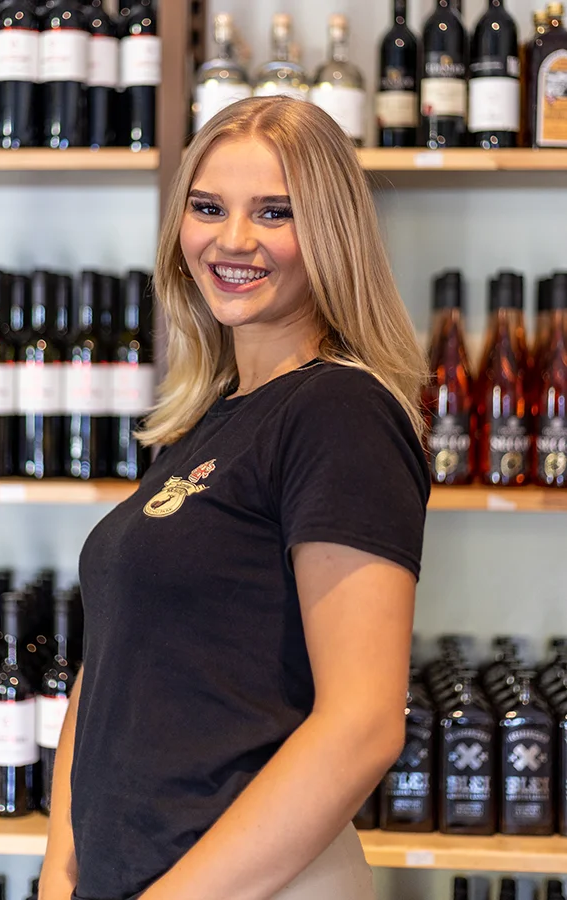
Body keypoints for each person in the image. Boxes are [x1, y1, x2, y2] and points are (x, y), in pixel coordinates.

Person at [40, 96, 430, 900]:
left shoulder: (338, 413)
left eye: (275, 212)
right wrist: (62, 864)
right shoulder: (209, 419)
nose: (234, 240)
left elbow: (362, 727)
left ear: (331, 232)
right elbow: (111, 658)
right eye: (208, 207)